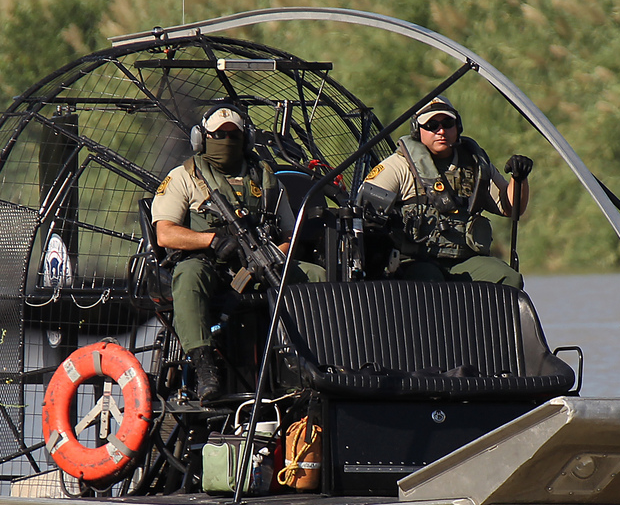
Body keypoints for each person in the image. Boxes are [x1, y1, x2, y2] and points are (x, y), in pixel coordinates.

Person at [152, 104, 325, 404]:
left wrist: (274, 255)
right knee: (188, 277)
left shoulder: (266, 178)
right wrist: (211, 240)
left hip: (262, 264)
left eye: (233, 135)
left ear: (246, 139)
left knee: (317, 275)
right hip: (209, 264)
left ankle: (317, 360)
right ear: (202, 139)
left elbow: (289, 234)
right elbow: (165, 233)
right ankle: (205, 366)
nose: (226, 141)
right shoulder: (184, 177)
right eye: (218, 135)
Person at [359, 96, 532, 288]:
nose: (441, 131)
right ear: (418, 130)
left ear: (457, 126)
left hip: (466, 260)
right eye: (432, 125)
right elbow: (362, 208)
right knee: (430, 281)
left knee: (509, 278)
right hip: (417, 261)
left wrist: (519, 178)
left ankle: (491, 318)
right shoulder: (399, 166)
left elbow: (511, 208)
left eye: (447, 123)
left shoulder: (476, 164)